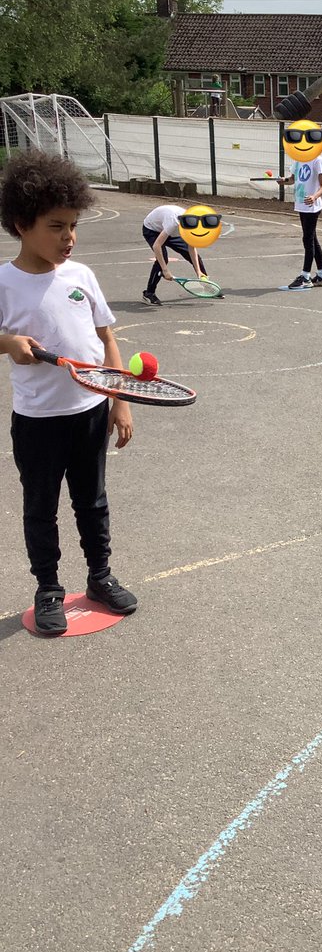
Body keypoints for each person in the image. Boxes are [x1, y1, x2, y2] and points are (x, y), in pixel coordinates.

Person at [0, 151, 138, 635]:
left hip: (91, 411)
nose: (69, 238)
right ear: (21, 223)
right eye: (57, 226)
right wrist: (8, 343)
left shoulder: (81, 277)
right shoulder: (3, 281)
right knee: (41, 508)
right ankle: (49, 590)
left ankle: (99, 577)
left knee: (92, 501)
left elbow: (106, 340)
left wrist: (118, 401)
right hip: (38, 420)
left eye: (74, 226)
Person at [277, 155, 322, 289]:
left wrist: (314, 197)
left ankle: (305, 277)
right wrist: (284, 181)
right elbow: (293, 179)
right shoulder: (298, 159)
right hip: (301, 205)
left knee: (307, 240)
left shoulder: (318, 160)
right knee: (312, 240)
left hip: (312, 207)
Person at [141, 203, 208, 305]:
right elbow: (156, 246)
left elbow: (191, 247)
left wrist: (198, 271)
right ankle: (149, 294)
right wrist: (165, 270)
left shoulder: (193, 223)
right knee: (162, 258)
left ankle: (208, 285)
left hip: (169, 231)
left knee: (193, 256)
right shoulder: (173, 222)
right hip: (152, 229)